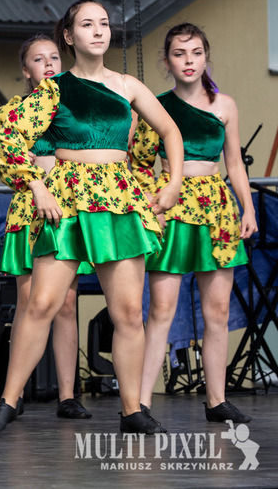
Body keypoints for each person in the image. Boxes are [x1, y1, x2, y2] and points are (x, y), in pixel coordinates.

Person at [0, 0, 183, 435]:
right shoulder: (53, 89)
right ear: (69, 36)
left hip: (118, 197)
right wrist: (35, 185)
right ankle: (8, 400)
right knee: (42, 303)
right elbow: (9, 138)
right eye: (88, 24)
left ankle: (132, 410)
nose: (99, 31)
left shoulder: (127, 85)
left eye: (104, 23)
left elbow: (170, 130)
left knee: (128, 311)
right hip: (68, 195)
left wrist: (173, 183)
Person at [0, 35, 92, 420]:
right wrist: (9, 153)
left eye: (54, 57)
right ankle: (12, 396)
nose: (48, 64)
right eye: (38, 59)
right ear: (26, 70)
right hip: (30, 208)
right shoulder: (15, 110)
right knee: (31, 302)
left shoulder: (70, 105)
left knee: (67, 302)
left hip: (66, 207)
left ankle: (68, 396)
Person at [132, 23, 256, 425]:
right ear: (167, 61)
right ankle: (140, 404)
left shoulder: (225, 105)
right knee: (161, 310)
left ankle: (217, 401)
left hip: (217, 210)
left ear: (206, 57)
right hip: (171, 208)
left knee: (217, 311)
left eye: (196, 52)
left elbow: (235, 164)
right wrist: (153, 203)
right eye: (179, 53)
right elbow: (138, 163)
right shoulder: (154, 105)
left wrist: (248, 209)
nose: (189, 61)